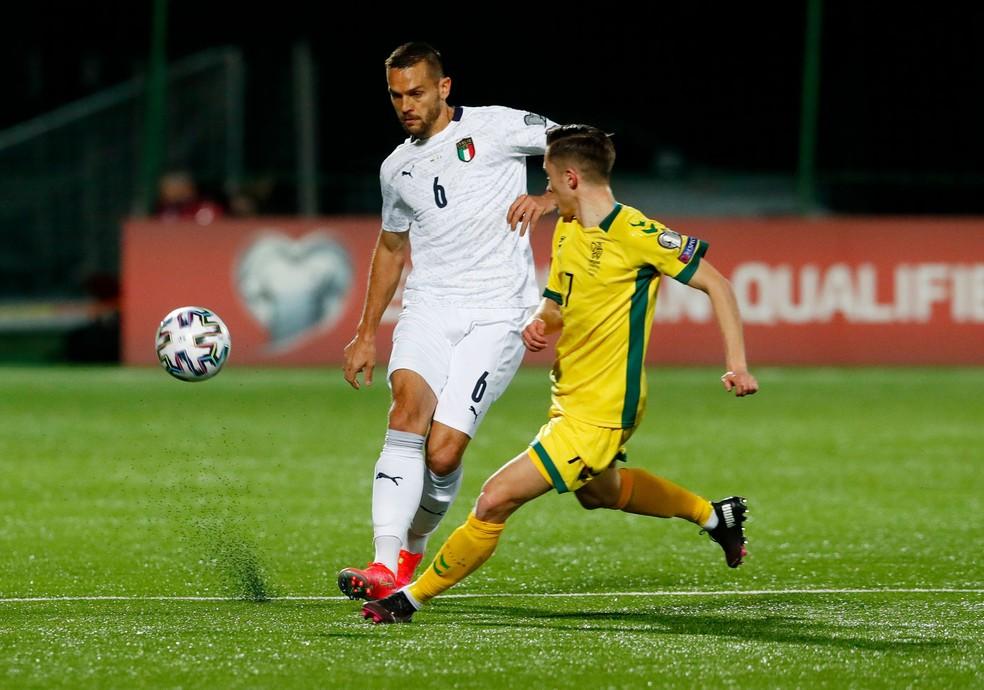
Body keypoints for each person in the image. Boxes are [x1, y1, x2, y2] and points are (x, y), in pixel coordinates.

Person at [361, 124, 760, 624]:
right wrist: (540, 323)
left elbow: (718, 284)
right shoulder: (569, 228)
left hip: (601, 414)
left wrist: (737, 365)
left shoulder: (638, 235)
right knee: (598, 492)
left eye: (548, 179)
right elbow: (556, 301)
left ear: (571, 177)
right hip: (569, 398)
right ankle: (714, 515)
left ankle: (407, 600)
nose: (543, 192)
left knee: (494, 500)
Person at [338, 42, 558, 601]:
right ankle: (385, 563)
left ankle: (412, 547)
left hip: (498, 313)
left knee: (442, 453)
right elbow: (391, 248)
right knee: (407, 410)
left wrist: (550, 196)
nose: (405, 104)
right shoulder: (397, 167)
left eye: (415, 92)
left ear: (444, 87)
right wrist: (365, 333)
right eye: (395, 95)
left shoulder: (498, 127)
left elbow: (588, 142)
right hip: (430, 305)